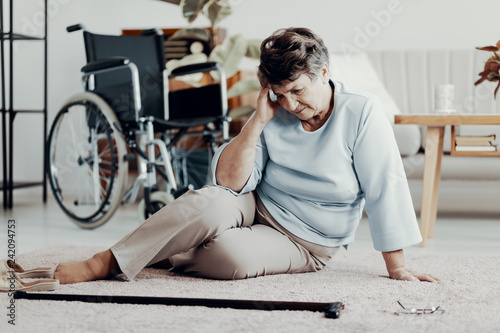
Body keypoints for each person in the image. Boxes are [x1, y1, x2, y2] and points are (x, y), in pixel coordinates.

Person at [55, 27, 439, 284]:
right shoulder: (274, 110)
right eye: (280, 93)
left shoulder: (362, 112)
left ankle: (165, 247)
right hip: (255, 203)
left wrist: (398, 266)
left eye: (298, 91)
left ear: (324, 72)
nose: (290, 104)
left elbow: (384, 187)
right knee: (207, 203)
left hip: (308, 240)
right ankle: (103, 262)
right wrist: (257, 120)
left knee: (229, 258)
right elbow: (229, 184)